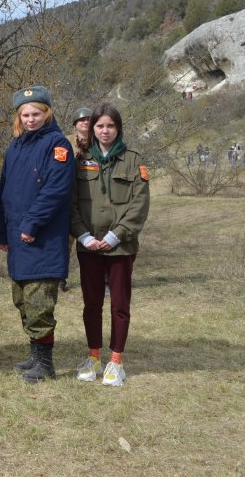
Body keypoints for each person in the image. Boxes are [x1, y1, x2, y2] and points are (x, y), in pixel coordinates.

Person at [0, 86, 75, 384]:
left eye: (36, 113)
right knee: (22, 300)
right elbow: (3, 194)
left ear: (47, 113)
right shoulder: (15, 147)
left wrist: (31, 225)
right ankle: (34, 354)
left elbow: (56, 192)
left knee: (40, 302)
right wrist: (1, 231)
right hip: (16, 239)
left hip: (43, 239)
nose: (30, 119)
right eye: (25, 114)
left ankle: (46, 364)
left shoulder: (58, 145)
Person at [71, 103, 150, 387]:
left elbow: (139, 205)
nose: (105, 131)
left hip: (121, 246)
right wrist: (84, 236)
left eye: (110, 126)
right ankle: (93, 357)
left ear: (118, 129)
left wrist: (116, 235)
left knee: (119, 304)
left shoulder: (132, 160)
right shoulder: (79, 159)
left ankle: (116, 360)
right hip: (89, 245)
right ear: (91, 129)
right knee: (91, 304)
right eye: (100, 126)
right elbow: (71, 203)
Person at [62, 106, 93, 293]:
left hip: (90, 195)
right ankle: (61, 277)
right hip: (69, 196)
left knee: (92, 239)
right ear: (75, 124)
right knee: (66, 241)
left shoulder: (99, 142)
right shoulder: (65, 141)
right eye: (81, 120)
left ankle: (94, 279)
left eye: (89, 119)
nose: (85, 123)